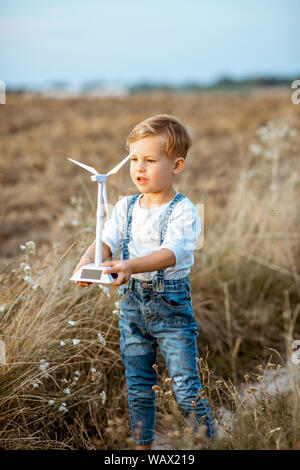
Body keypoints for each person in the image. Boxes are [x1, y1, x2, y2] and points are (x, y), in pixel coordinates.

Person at [72, 114, 216, 450]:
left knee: (184, 385)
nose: (139, 167)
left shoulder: (184, 210)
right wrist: (87, 263)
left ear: (176, 165)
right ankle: (143, 447)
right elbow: (105, 239)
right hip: (132, 305)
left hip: (170, 306)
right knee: (138, 383)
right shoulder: (125, 206)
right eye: (134, 159)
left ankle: (209, 443)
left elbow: (172, 253)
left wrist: (130, 265)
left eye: (150, 160)